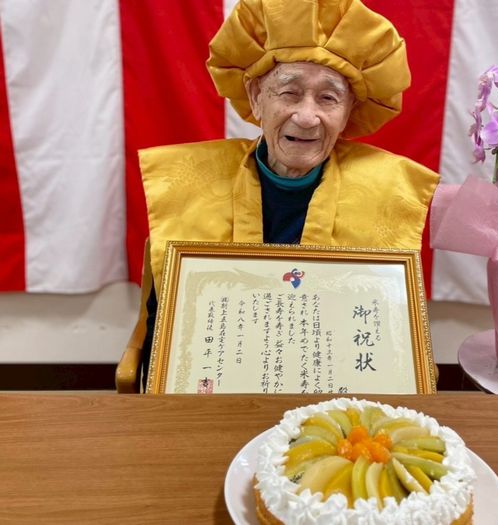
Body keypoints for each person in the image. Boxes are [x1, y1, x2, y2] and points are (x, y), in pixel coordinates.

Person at [118, 0, 440, 392]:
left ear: (349, 111)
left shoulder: (391, 192)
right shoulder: (189, 186)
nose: (306, 117)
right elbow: (165, 336)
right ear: (256, 96)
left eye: (328, 98)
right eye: (289, 93)